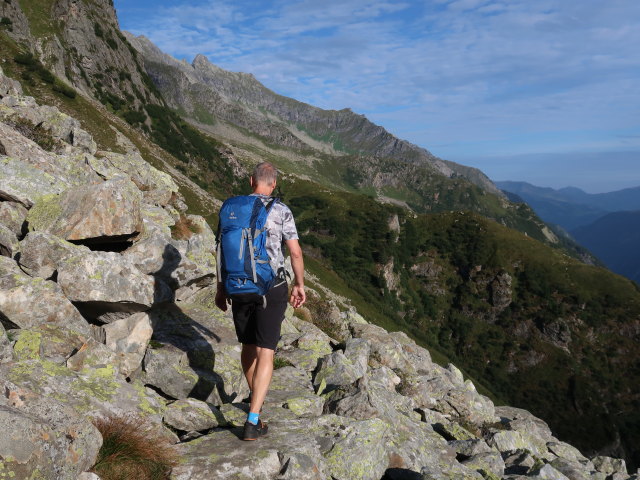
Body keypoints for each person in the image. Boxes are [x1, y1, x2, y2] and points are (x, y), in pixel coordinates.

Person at [215, 161, 306, 441]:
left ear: (250, 180)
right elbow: (295, 252)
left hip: (237, 285)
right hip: (271, 287)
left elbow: (219, 249)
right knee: (267, 349)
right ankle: (253, 420)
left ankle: (256, 399)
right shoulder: (281, 210)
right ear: (274, 184)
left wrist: (221, 289)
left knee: (248, 346)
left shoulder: (230, 208)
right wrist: (299, 284)